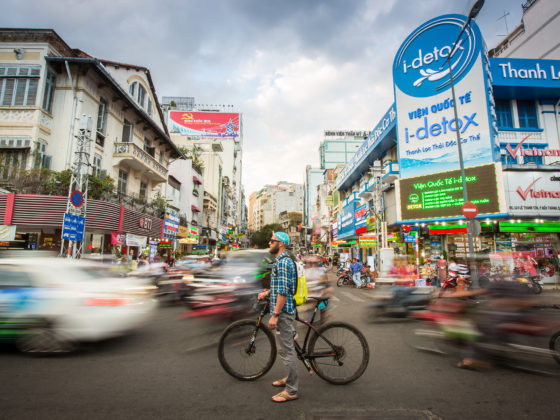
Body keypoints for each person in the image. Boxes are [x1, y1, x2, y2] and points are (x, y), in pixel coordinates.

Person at [257, 231, 298, 403]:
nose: (269, 242)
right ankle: (288, 378)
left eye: (272, 241)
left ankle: (291, 390)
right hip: (286, 309)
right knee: (285, 348)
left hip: (284, 313)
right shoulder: (282, 261)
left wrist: (274, 315)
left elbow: (283, 292)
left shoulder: (282, 263)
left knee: (287, 350)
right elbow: (282, 288)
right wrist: (267, 293)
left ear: (280, 244)